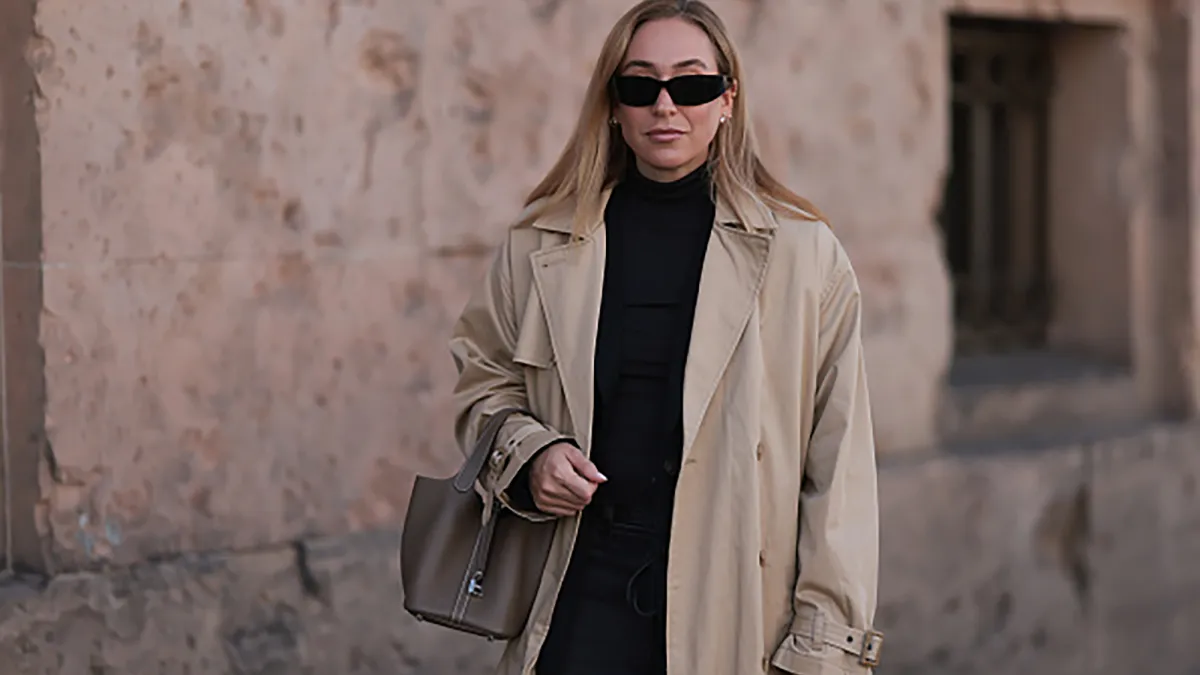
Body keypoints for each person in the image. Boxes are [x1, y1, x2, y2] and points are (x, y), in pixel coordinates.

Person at [447, 1, 882, 673]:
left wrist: (823, 649)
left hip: (734, 615)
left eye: (692, 84)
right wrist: (531, 456)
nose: (665, 105)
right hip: (573, 599)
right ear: (613, 104)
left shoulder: (804, 256)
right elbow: (484, 380)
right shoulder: (540, 242)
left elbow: (839, 468)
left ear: (728, 99)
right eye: (639, 84)